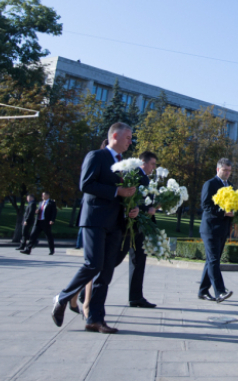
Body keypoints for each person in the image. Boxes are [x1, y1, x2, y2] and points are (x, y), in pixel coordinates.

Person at [50, 122, 139, 334]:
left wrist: (130, 207)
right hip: (95, 220)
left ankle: (95, 319)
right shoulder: (96, 156)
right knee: (93, 264)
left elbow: (124, 194)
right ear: (115, 136)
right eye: (128, 138)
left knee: (105, 272)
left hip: (115, 223)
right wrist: (118, 193)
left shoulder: (125, 164)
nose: (131, 141)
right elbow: (86, 185)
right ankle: (62, 297)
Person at [113, 151, 158, 308]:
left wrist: (154, 206)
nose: (154, 167)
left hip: (140, 226)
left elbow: (144, 200)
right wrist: (144, 209)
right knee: (115, 259)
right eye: (152, 164)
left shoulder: (145, 178)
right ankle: (87, 290)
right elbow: (129, 198)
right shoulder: (133, 174)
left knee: (139, 261)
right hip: (129, 226)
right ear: (143, 162)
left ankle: (136, 297)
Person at [198, 158, 235, 303]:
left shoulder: (231, 185)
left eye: (229, 171)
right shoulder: (210, 184)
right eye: (225, 170)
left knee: (212, 261)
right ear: (217, 169)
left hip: (223, 228)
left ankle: (202, 291)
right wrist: (224, 212)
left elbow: (232, 204)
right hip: (210, 228)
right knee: (213, 260)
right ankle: (220, 291)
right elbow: (206, 206)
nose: (227, 173)